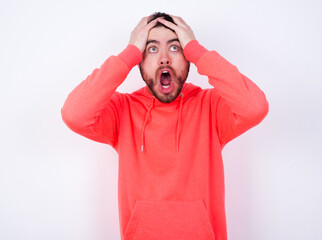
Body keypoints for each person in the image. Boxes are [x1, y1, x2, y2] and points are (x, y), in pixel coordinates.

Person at [61, 12, 269, 240]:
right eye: (151, 49)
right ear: (139, 59)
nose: (164, 59)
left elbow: (255, 107)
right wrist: (128, 53)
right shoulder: (123, 110)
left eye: (174, 48)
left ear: (187, 56)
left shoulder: (211, 107)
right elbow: (74, 114)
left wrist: (197, 50)